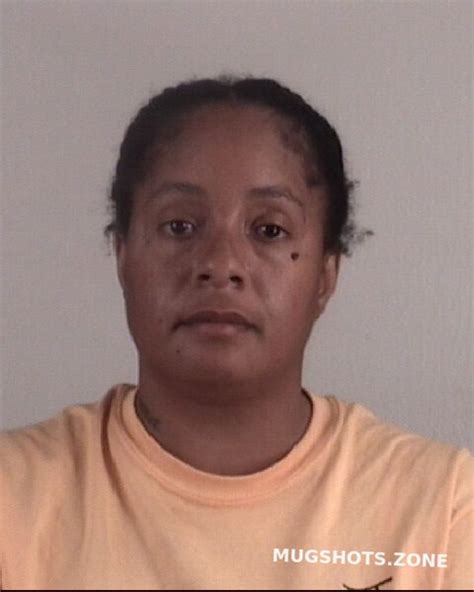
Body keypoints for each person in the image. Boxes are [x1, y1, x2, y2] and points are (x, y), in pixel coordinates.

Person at [0, 76, 472, 591]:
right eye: (180, 226)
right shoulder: (13, 497)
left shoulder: (445, 509)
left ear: (325, 274)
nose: (221, 264)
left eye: (269, 230)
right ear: (123, 256)